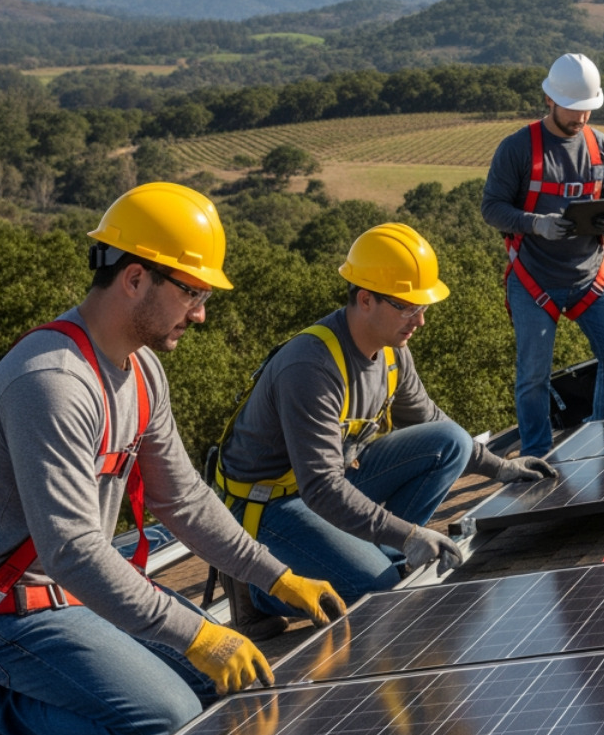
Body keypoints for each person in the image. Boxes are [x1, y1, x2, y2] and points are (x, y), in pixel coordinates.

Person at [0, 183, 344, 735]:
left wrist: (275, 575)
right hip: (9, 610)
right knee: (167, 724)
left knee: (224, 686)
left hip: (82, 593)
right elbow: (72, 550)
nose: (200, 313)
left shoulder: (142, 370)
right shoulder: (52, 383)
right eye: (192, 293)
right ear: (135, 278)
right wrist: (196, 633)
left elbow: (182, 499)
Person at [213, 222, 555, 633]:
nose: (420, 321)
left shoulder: (392, 353)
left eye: (423, 307)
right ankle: (256, 589)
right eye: (408, 307)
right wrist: (409, 535)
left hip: (331, 488)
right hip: (270, 506)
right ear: (366, 300)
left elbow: (433, 422)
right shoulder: (311, 366)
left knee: (450, 443)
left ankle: (370, 552)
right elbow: (320, 486)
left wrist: (499, 467)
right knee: (375, 589)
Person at [482, 52, 604, 457]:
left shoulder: (602, 148)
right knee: (533, 375)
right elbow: (491, 207)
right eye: (573, 109)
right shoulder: (518, 149)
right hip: (535, 278)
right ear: (549, 99)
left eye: (588, 109)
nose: (581, 118)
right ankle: (535, 455)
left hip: (591, 275)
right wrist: (536, 223)